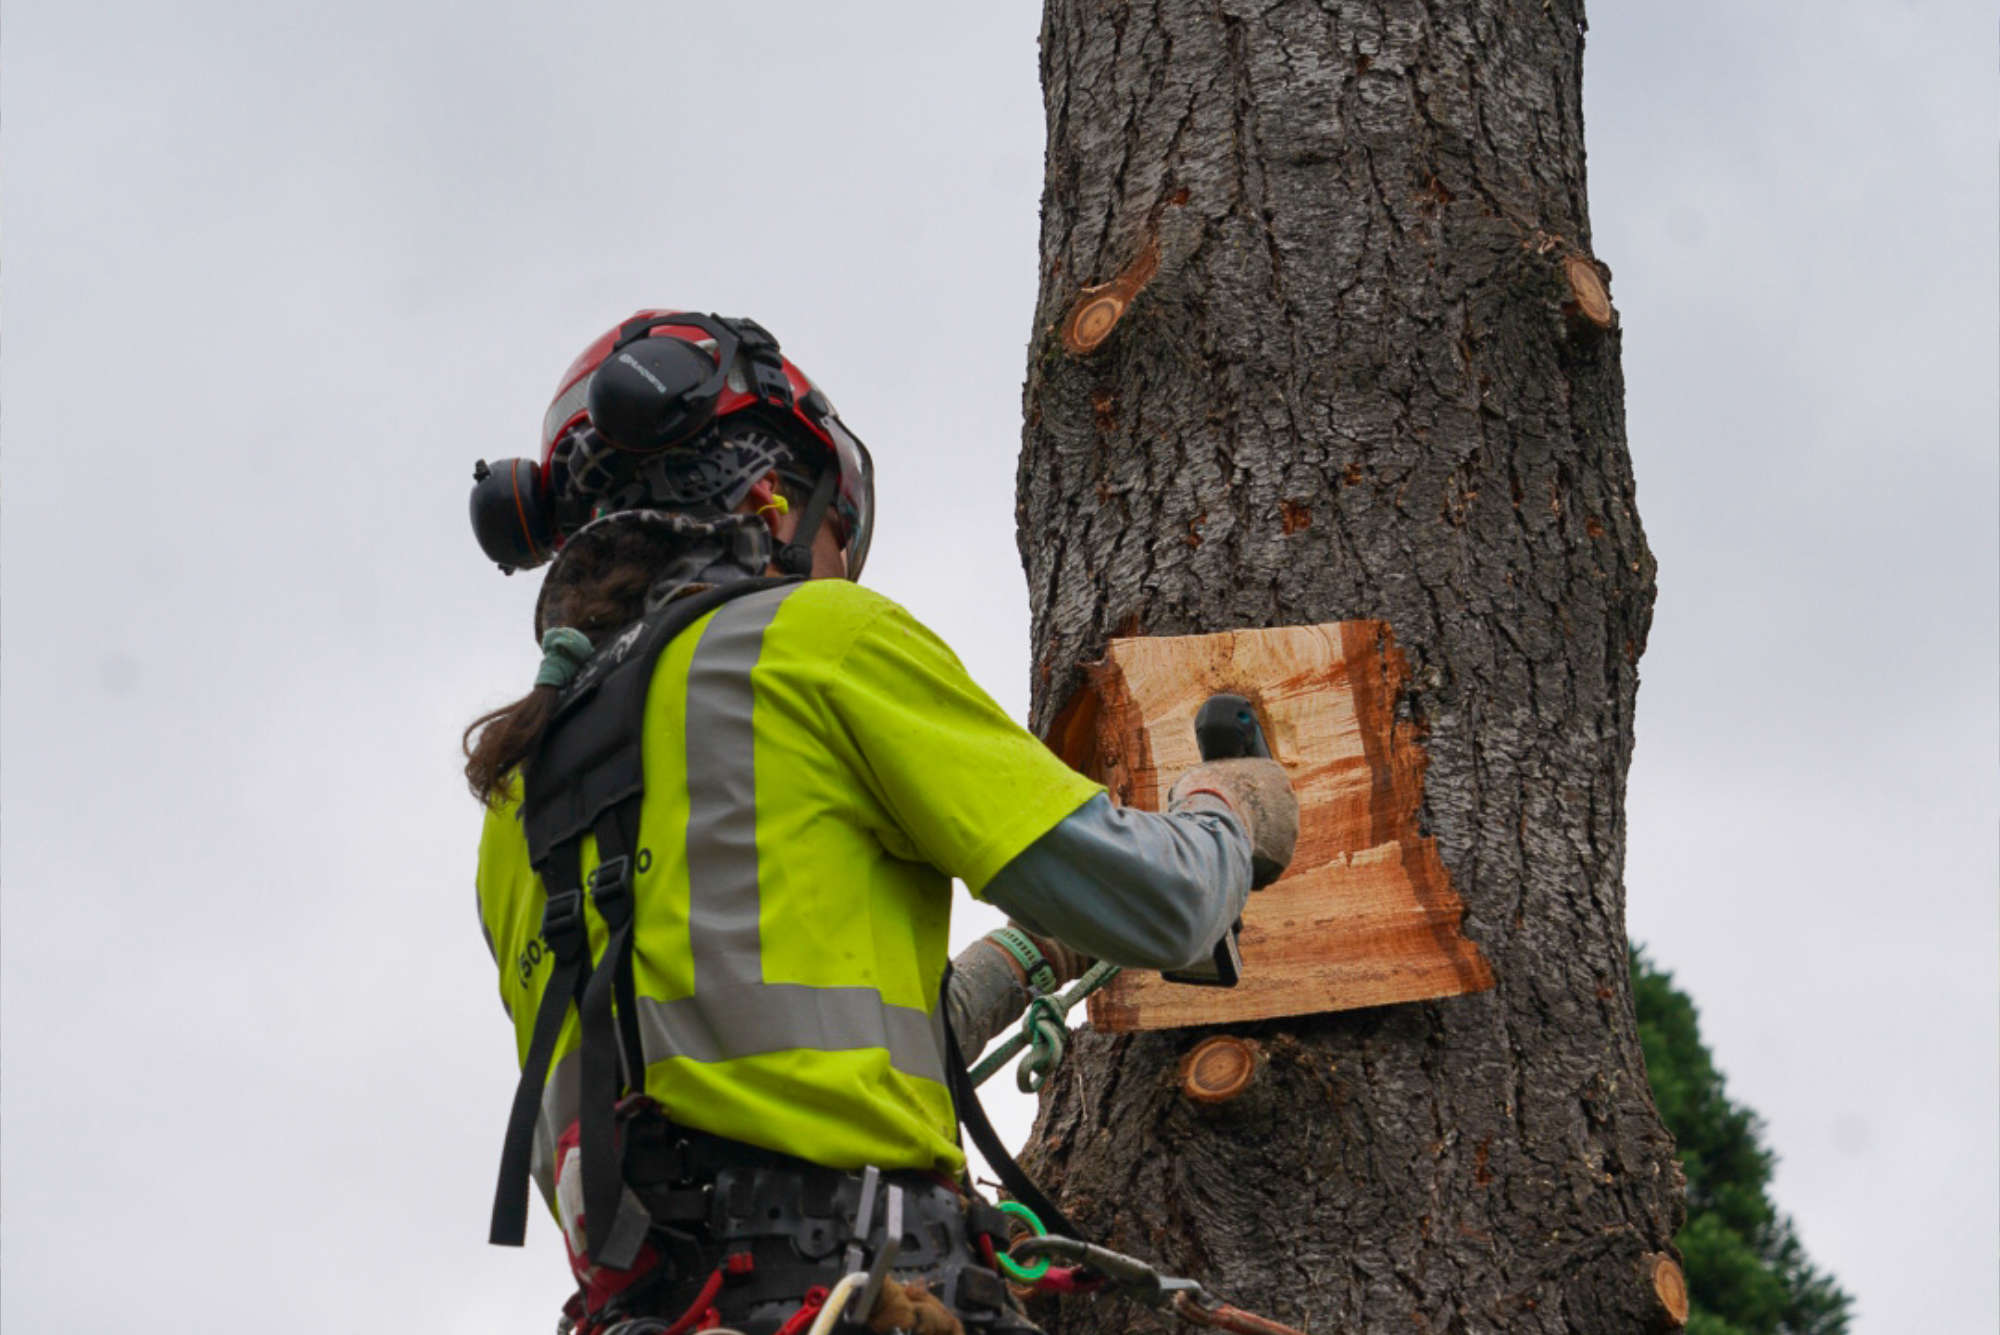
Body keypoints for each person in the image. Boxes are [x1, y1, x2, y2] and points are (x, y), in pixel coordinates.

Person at [463, 311, 1298, 1335]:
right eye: (828, 533)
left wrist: (1026, 955)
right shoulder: (815, 638)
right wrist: (1223, 817)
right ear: (770, 499)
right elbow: (1163, 903)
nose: (831, 564)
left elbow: (756, 1054)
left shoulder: (516, 796)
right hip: (855, 1287)